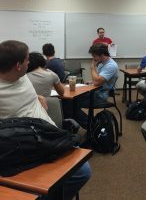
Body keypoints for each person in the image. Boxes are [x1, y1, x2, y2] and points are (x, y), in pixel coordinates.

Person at [0, 40, 91, 200]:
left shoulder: (21, 77)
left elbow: (22, 96)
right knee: (79, 173)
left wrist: (38, 97)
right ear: (18, 65)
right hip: (26, 145)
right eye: (27, 59)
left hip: (50, 135)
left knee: (82, 171)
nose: (30, 62)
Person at [73, 43, 118, 128]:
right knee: (70, 101)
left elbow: (97, 82)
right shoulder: (102, 63)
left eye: (94, 56)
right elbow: (98, 80)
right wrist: (91, 82)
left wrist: (92, 67)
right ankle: (91, 124)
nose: (93, 58)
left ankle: (92, 126)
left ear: (101, 55)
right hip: (95, 91)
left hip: (100, 95)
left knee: (71, 104)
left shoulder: (111, 65)